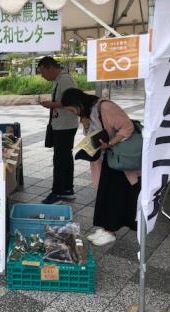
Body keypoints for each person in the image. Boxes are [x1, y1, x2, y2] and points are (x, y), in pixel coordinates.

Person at [61, 88, 141, 246]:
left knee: (114, 197)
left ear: (78, 103)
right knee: (106, 196)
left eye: (72, 109)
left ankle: (110, 231)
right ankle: (105, 229)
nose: (72, 113)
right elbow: (91, 136)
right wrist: (85, 125)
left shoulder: (105, 107)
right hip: (106, 160)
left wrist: (110, 143)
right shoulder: (88, 113)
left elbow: (128, 127)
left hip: (118, 159)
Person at [38, 57, 79, 204]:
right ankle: (68, 189)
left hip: (65, 126)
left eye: (42, 72)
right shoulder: (59, 79)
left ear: (50, 68)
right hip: (62, 125)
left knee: (60, 159)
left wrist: (51, 104)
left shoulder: (65, 80)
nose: (42, 76)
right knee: (65, 157)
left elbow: (72, 101)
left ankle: (57, 193)